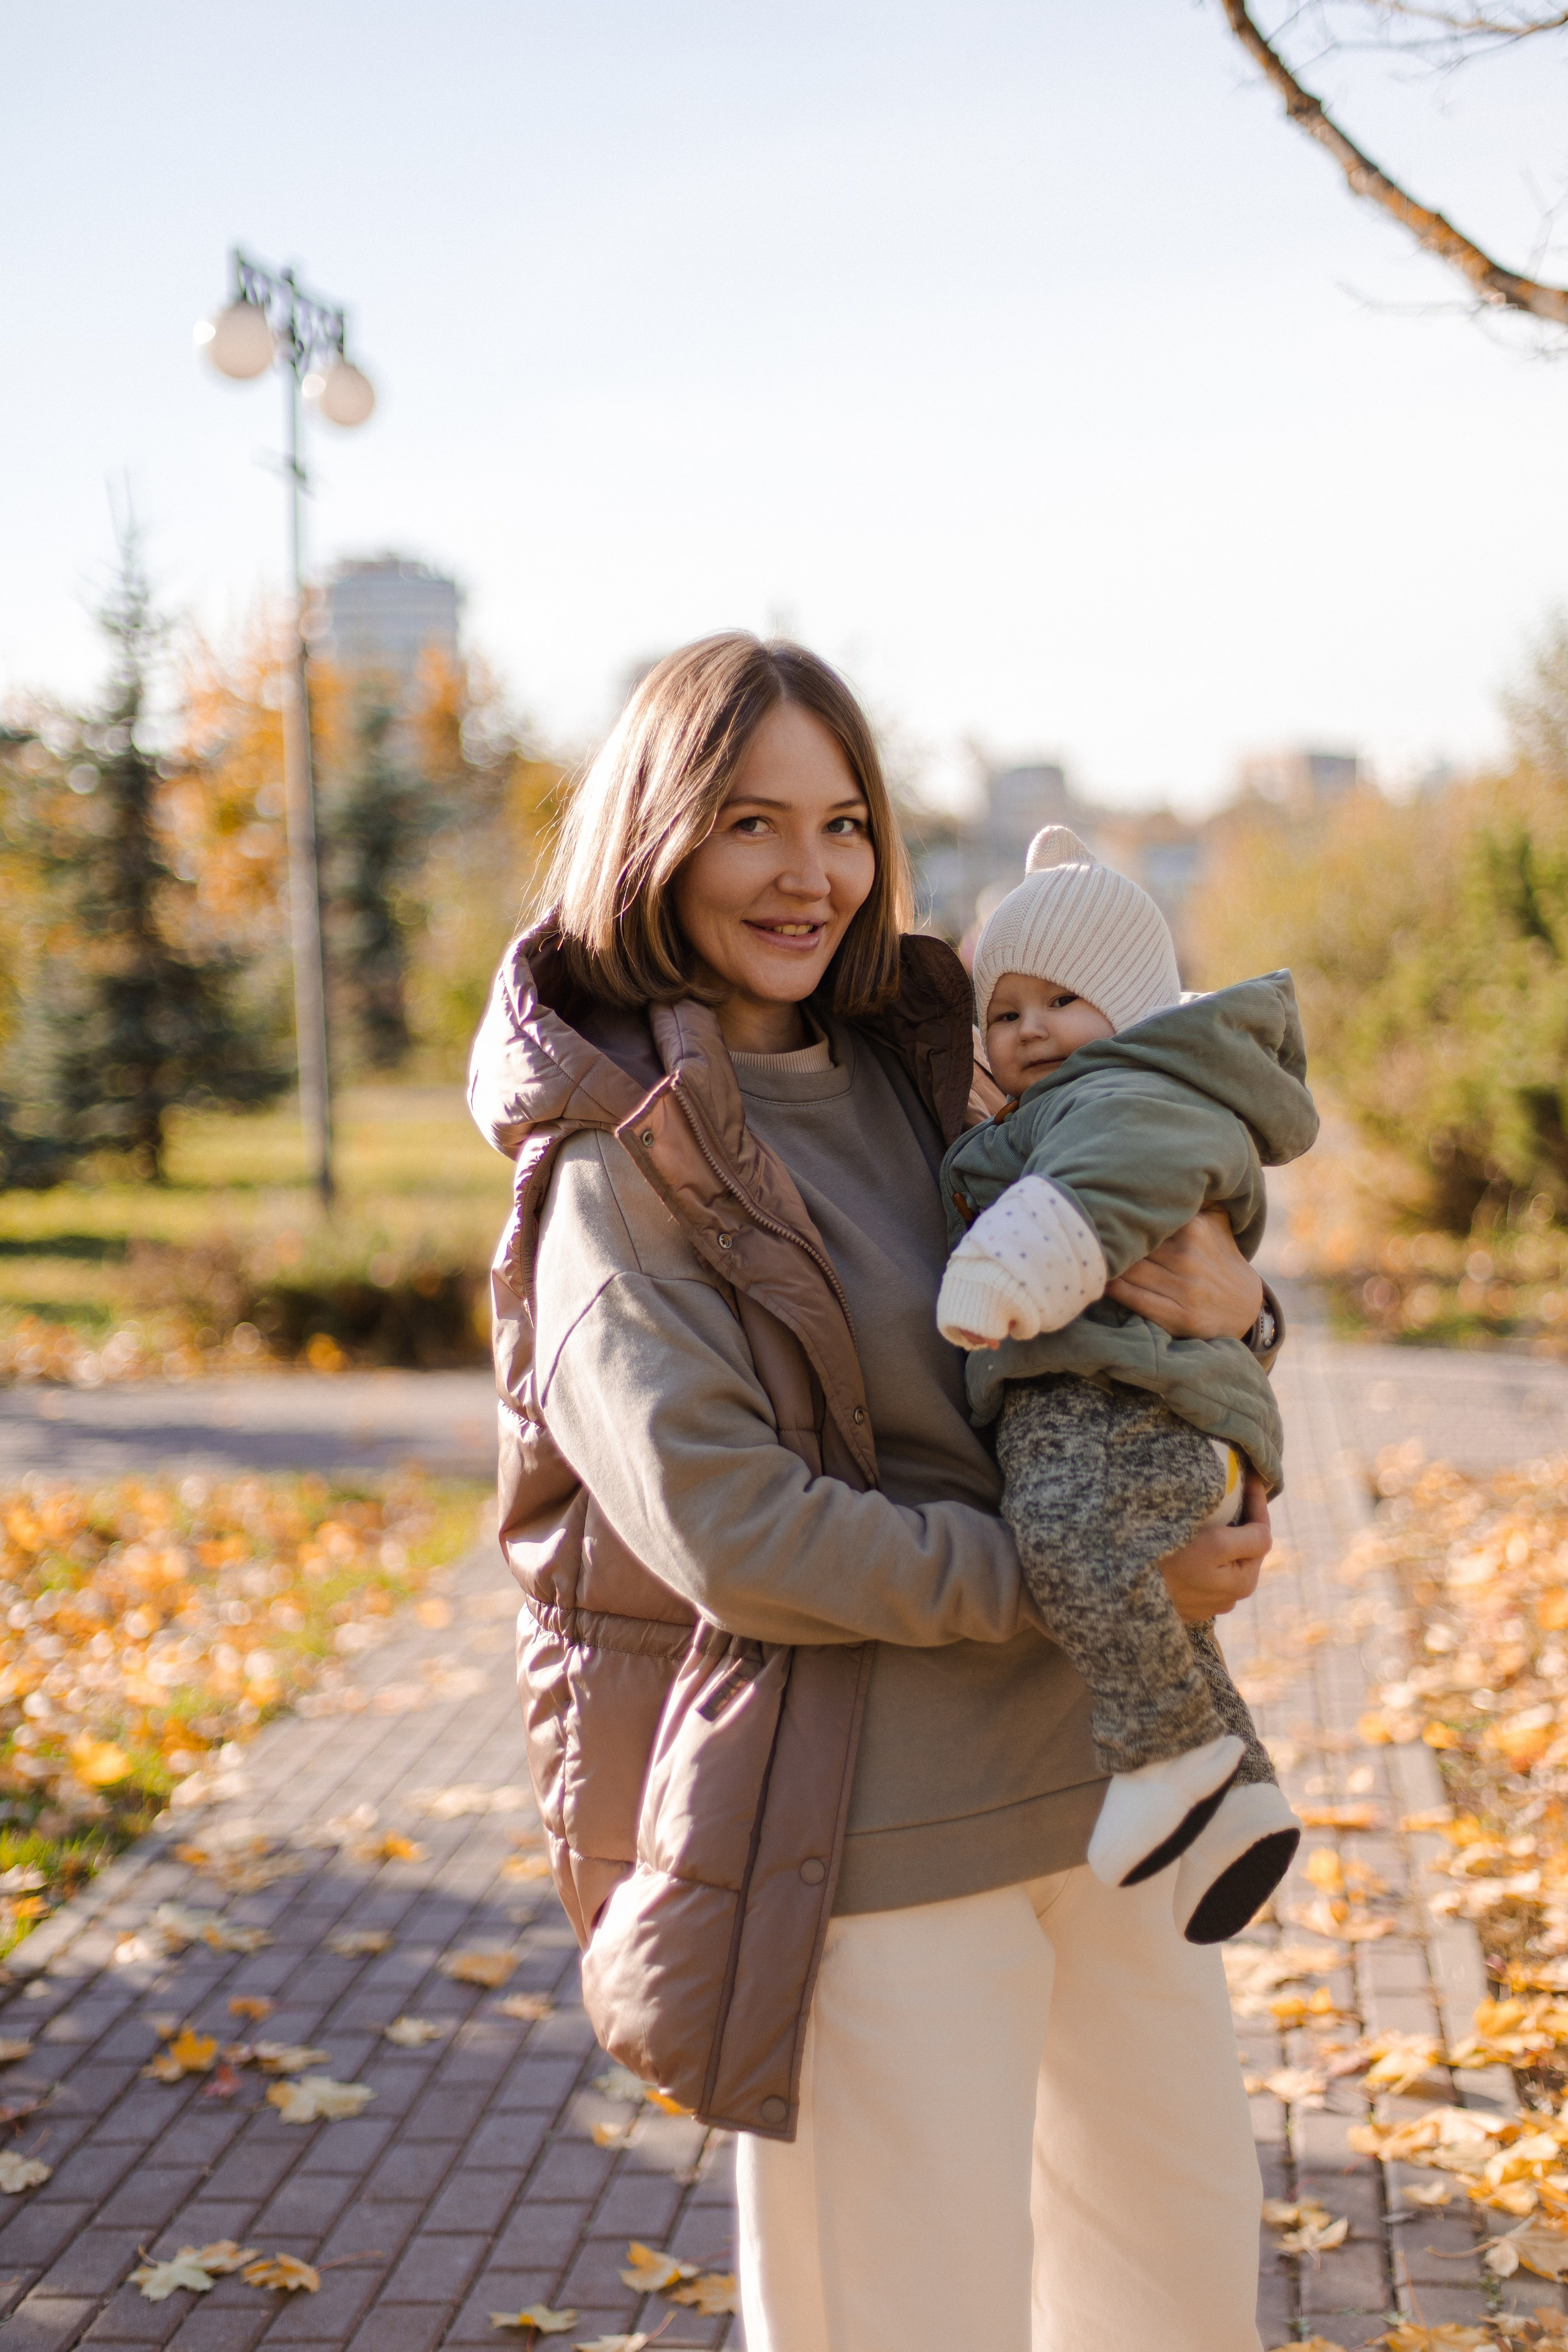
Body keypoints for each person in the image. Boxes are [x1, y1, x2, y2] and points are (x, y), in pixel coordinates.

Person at [468, 633, 1278, 2352]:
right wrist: (1088, 1576)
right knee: (909, 2321)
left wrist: (1240, 1313)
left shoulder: (934, 1075)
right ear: (656, 837)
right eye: (750, 823)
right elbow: (738, 1535)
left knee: (1182, 2300)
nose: (811, 874)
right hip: (880, 1842)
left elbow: (1113, 1288)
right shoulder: (615, 1175)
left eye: (842, 824)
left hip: (1116, 1787)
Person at [935, 825, 1313, 1943]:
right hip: (1121, 1400)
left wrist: (1008, 1267)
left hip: (1129, 1410)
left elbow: (1103, 1190)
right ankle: (1241, 1805)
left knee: (1066, 1533)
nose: (1031, 1028)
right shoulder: (1062, 1105)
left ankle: (1165, 1757)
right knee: (1163, 1620)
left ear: (1135, 1006)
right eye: (1006, 1012)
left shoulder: (1129, 1098)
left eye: (1063, 1000)